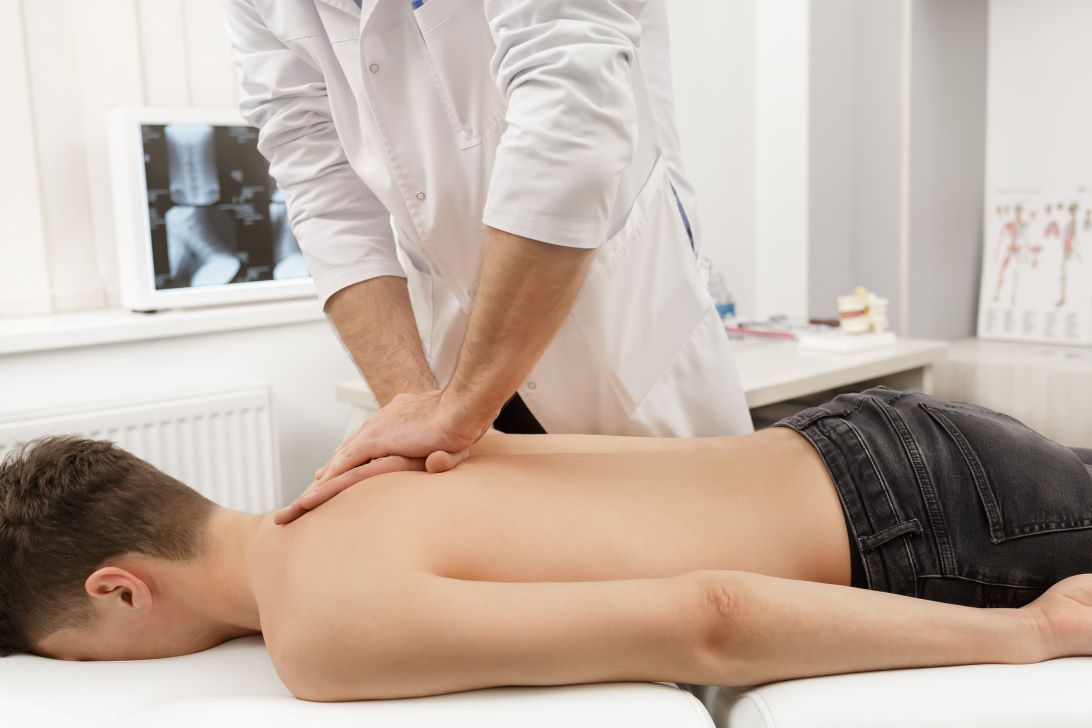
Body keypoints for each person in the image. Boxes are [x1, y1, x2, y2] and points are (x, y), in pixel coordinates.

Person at [3, 388, 1092, 701]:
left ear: (120, 589)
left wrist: (1031, 632)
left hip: (925, 524)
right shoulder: (361, 469)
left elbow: (708, 616)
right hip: (866, 436)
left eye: (80, 652)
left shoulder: (319, 629)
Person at [223, 1, 754, 508]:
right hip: (450, 359)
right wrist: (413, 409)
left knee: (707, 570)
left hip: (623, 336)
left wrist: (457, 410)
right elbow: (321, 187)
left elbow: (570, 121)